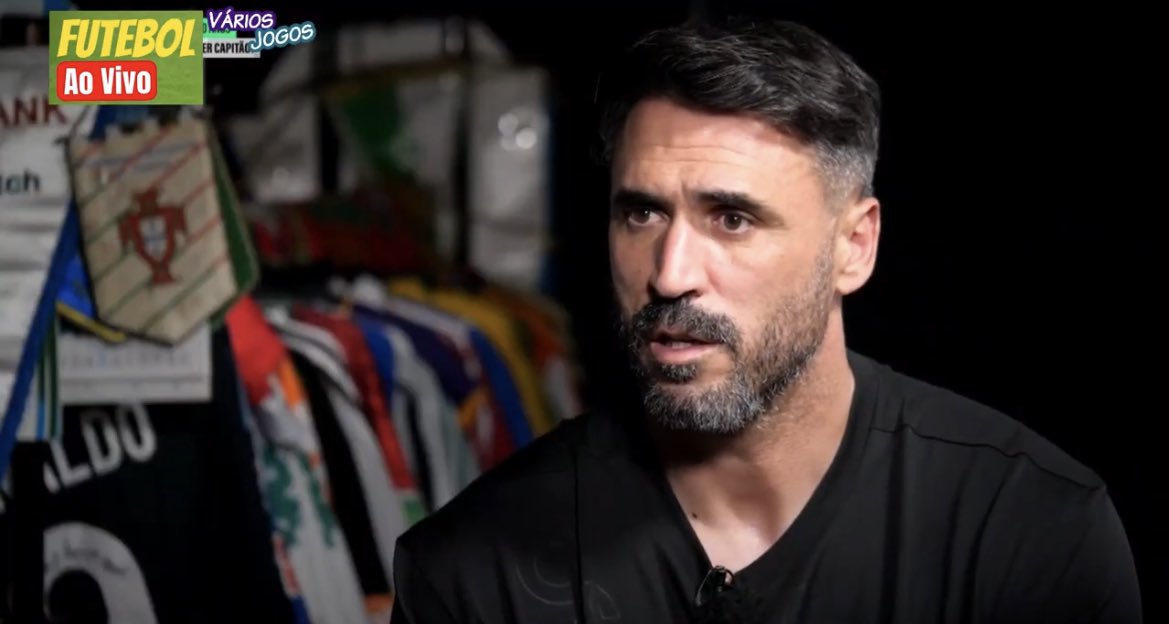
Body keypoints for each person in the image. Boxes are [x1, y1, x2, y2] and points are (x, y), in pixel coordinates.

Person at [390, 17, 1142, 624]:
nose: (670, 274)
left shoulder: (1024, 530)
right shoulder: (476, 569)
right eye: (642, 213)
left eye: (732, 218)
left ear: (854, 246)